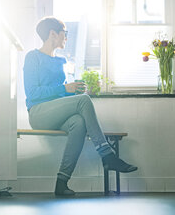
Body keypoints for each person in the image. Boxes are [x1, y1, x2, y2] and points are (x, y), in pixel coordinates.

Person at [23, 17, 137, 196]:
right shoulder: (33, 57)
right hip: (38, 113)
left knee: (78, 123)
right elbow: (32, 93)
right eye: (64, 33)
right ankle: (107, 155)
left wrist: (72, 90)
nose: (66, 37)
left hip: (55, 113)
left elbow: (59, 94)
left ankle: (62, 183)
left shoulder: (60, 61)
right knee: (83, 101)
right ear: (53, 34)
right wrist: (65, 89)